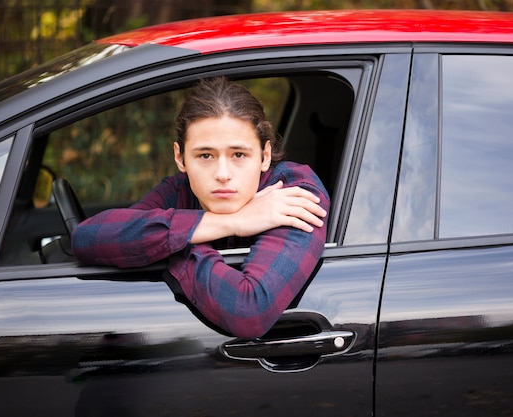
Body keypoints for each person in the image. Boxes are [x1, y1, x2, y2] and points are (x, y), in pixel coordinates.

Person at [71, 77, 330, 339]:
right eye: (205, 156)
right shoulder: (181, 188)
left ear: (264, 156)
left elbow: (248, 310)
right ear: (180, 158)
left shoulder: (293, 194)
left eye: (238, 155)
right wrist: (231, 222)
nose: (222, 174)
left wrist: (170, 244)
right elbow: (87, 238)